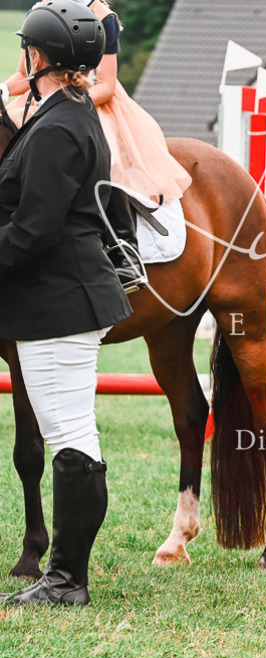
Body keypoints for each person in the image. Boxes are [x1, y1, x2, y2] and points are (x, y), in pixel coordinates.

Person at [0, 0, 132, 606]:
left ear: (39, 57)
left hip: (58, 301)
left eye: (26, 49)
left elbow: (33, 232)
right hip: (64, 298)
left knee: (71, 437)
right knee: (75, 436)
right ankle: (65, 576)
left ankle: (67, 580)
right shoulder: (71, 112)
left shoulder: (57, 127)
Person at [1, 0, 191, 292]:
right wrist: (3, 89)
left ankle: (123, 249)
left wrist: (61, 106)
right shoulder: (40, 11)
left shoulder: (103, 16)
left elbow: (106, 84)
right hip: (42, 96)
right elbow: (25, 74)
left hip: (90, 100)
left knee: (110, 157)